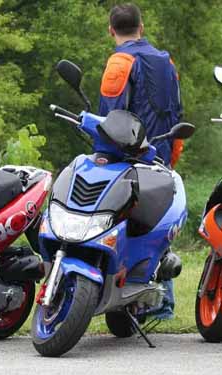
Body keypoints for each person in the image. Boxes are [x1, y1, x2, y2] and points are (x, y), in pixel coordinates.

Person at [99, 3, 183, 319]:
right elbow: (177, 112)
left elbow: (110, 116)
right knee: (155, 227)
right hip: (160, 157)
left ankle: (122, 298)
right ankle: (162, 302)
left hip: (128, 158)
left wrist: (105, 156)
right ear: (141, 27)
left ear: (111, 30)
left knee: (116, 226)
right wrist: (169, 156)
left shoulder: (120, 62)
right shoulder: (167, 62)